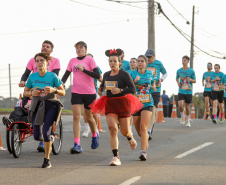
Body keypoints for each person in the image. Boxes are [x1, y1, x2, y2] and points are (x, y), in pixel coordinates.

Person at [90, 48, 143, 166]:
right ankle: (116, 157)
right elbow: (103, 86)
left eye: (115, 61)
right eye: (110, 61)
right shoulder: (106, 74)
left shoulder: (124, 74)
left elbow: (132, 89)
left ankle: (130, 137)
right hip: (110, 104)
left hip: (123, 104)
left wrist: (121, 90)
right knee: (112, 129)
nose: (112, 63)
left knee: (124, 131)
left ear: (119, 62)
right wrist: (100, 89)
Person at [24, 52, 65, 168]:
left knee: (46, 130)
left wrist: (53, 90)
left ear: (47, 62)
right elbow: (25, 92)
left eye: (42, 60)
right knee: (37, 136)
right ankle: (50, 139)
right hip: (38, 105)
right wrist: (32, 92)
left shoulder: (52, 76)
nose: (39, 63)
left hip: (51, 105)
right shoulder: (32, 77)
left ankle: (47, 159)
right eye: (37, 61)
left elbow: (63, 91)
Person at [19, 40, 61, 152]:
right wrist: (23, 81)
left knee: (46, 128)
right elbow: (26, 74)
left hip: (49, 97)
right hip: (35, 97)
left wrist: (53, 89)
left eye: (47, 47)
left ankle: (47, 150)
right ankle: (21, 121)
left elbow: (55, 77)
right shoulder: (33, 69)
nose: (44, 48)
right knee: (22, 105)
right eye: (43, 46)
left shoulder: (55, 63)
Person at [61, 41, 100, 154]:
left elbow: (98, 76)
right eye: (77, 48)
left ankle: (94, 134)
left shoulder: (90, 60)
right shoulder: (72, 61)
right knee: (76, 116)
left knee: (89, 117)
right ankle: (77, 144)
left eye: (81, 47)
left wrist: (84, 70)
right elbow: (66, 75)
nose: (78, 49)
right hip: (76, 92)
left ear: (85, 50)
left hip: (89, 93)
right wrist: (62, 83)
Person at [130, 55, 156, 161]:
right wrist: (134, 82)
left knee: (143, 126)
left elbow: (154, 85)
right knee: (138, 130)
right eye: (138, 61)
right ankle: (144, 141)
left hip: (147, 103)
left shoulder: (150, 73)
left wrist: (153, 87)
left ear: (146, 63)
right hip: (136, 103)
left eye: (142, 61)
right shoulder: (132, 74)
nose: (140, 63)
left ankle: (143, 151)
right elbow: (128, 88)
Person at [145, 49, 167, 140]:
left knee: (153, 109)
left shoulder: (159, 63)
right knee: (146, 111)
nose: (148, 58)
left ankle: (149, 131)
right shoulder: (144, 63)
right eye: (147, 56)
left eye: (149, 57)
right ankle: (145, 128)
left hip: (156, 90)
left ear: (154, 56)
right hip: (144, 90)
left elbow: (165, 73)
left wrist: (161, 79)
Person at [82, 53, 103, 137]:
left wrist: (95, 76)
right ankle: (87, 128)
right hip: (84, 92)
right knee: (85, 110)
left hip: (93, 92)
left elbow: (101, 79)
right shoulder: (81, 67)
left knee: (94, 112)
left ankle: (96, 128)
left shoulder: (96, 68)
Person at [176, 55, 196, 127]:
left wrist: (190, 80)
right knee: (180, 105)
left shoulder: (191, 71)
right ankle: (182, 116)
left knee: (187, 107)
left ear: (188, 61)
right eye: (182, 60)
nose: (183, 61)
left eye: (185, 60)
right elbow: (177, 78)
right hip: (181, 90)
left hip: (188, 91)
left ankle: (187, 120)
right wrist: (178, 83)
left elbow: (195, 80)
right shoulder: (179, 70)